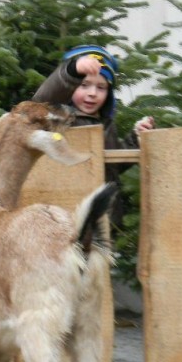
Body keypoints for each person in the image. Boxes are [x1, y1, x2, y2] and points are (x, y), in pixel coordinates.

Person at [32, 44, 154, 226]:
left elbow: (112, 166)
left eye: (101, 87)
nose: (92, 94)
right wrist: (72, 71)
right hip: (67, 216)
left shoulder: (105, 123)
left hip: (103, 219)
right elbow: (40, 102)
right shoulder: (59, 117)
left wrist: (135, 139)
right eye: (84, 85)